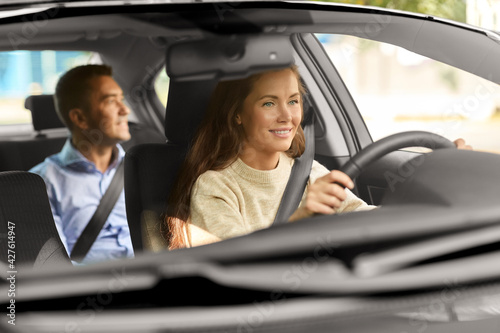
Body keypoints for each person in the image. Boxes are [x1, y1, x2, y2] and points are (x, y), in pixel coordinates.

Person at [164, 65, 472, 250]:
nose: (287, 115)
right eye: (269, 103)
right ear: (238, 115)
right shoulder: (215, 187)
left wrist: (443, 182)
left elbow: (368, 220)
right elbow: (236, 267)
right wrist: (303, 219)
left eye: (294, 101)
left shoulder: (307, 171)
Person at [30, 64, 133, 264]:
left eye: (121, 99)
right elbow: (55, 264)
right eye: (111, 101)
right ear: (80, 118)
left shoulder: (140, 169)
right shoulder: (42, 183)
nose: (125, 109)